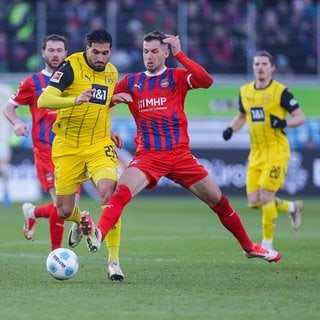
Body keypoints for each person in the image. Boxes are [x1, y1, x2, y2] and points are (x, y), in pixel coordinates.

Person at [79, 30, 282, 270]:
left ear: (166, 53)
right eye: (145, 51)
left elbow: (206, 81)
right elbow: (101, 105)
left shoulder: (176, 77)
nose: (149, 56)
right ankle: (98, 234)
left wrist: (181, 54)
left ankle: (249, 247)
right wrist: (109, 125)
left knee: (220, 202)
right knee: (120, 194)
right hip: (148, 156)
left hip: (180, 156)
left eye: (155, 51)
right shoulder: (131, 82)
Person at [37, 29, 124, 281]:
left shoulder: (112, 72)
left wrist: (110, 130)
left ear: (110, 51)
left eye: (105, 53)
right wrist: (73, 100)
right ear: (87, 49)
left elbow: (101, 105)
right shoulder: (70, 67)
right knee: (63, 211)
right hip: (67, 146)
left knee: (110, 192)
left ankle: (114, 262)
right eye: (95, 52)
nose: (100, 57)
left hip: (98, 145)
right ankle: (81, 218)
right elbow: (45, 99)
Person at [222, 50, 305, 250]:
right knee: (254, 200)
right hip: (257, 153)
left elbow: (300, 117)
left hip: (277, 150)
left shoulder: (281, 92)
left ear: (272, 68)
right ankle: (292, 207)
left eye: (264, 64)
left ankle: (267, 245)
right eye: (256, 64)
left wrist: (283, 121)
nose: (260, 67)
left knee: (267, 197)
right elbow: (242, 115)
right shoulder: (245, 91)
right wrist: (230, 129)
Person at [3, 34, 69, 250]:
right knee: (61, 206)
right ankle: (56, 255)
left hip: (72, 150)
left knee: (69, 207)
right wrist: (17, 123)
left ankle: (32, 212)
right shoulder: (32, 82)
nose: (55, 54)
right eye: (51, 50)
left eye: (59, 50)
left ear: (65, 53)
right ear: (43, 53)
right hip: (46, 150)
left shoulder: (73, 79)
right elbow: (8, 108)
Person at [0, 83, 14, 207]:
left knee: (4, 167)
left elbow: (12, 109)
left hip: (3, 134)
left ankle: (6, 193)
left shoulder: (5, 89)